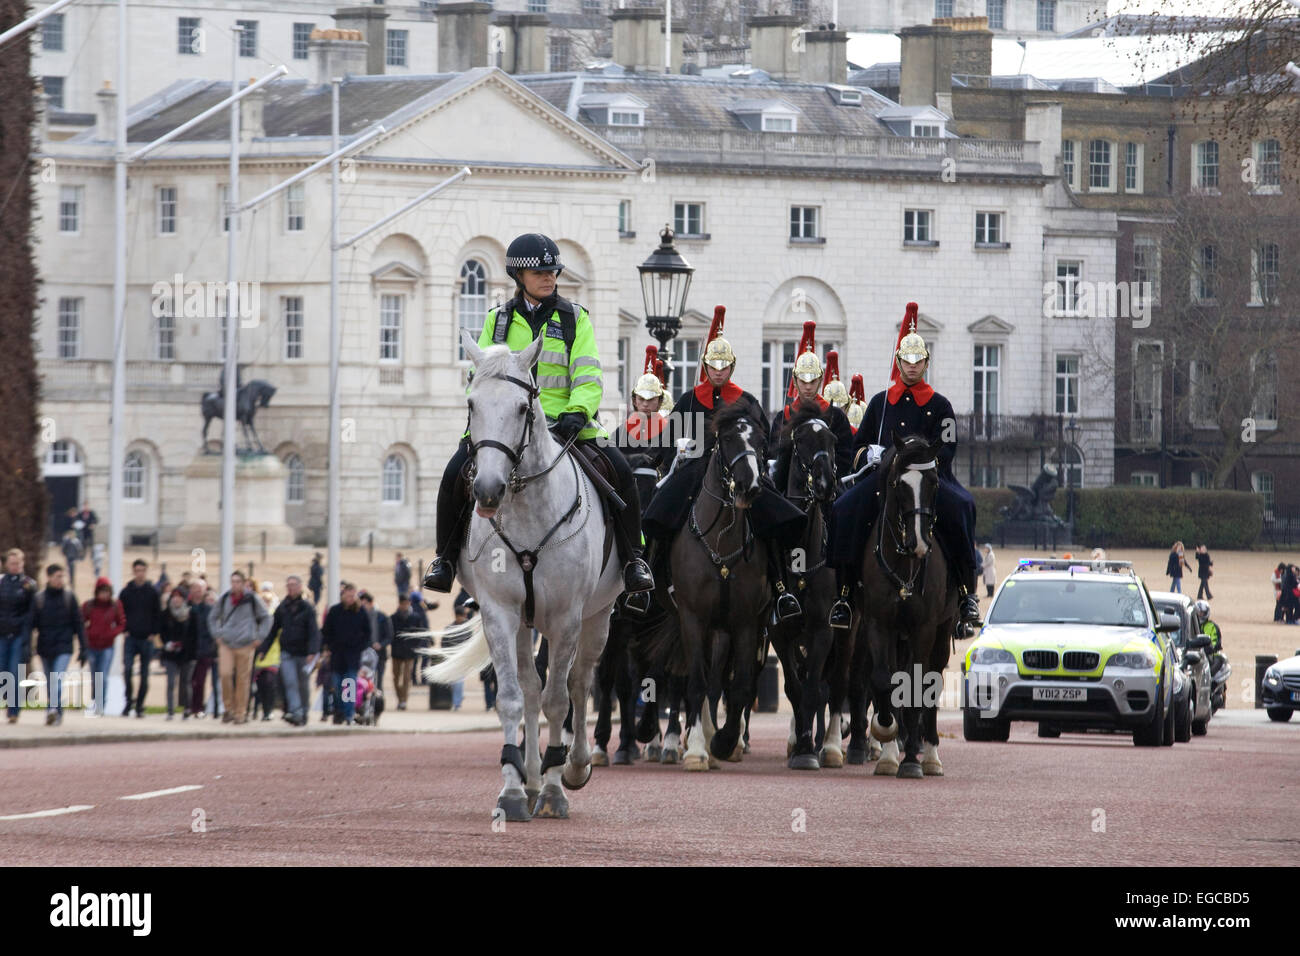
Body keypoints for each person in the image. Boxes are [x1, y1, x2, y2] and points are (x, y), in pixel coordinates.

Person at [422, 232, 654, 600]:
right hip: (504, 429)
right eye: (541, 272)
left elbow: (590, 374)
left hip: (568, 425)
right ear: (519, 277)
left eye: (553, 271)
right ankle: (445, 560)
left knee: (621, 474)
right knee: (453, 474)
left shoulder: (575, 319)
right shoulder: (496, 322)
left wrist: (579, 411)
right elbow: (477, 380)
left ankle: (633, 561)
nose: (550, 277)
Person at [641, 305, 807, 620]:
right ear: (705, 365)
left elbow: (766, 438)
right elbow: (664, 442)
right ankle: (649, 574)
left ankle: (781, 586)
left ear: (731, 367)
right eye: (713, 366)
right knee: (661, 509)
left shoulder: (746, 401)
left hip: (741, 471)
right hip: (696, 468)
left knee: (771, 515)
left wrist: (759, 462)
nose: (718, 371)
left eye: (724, 366)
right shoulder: (690, 398)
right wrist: (665, 452)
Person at [828, 302, 981, 630]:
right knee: (844, 509)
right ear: (898, 362)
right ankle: (843, 593)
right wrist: (869, 454)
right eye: (906, 361)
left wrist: (928, 468)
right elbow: (858, 447)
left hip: (930, 479)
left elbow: (949, 447)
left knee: (963, 507)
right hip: (888, 479)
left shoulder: (941, 405)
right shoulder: (881, 403)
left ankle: (967, 591)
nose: (912, 367)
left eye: (918, 361)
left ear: (926, 363)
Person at [766, 322, 854, 497]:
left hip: (828, 482)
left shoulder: (835, 415)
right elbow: (775, 454)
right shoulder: (784, 416)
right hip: (791, 485)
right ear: (795, 380)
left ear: (820, 380)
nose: (807, 387)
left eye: (812, 381)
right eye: (803, 381)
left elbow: (845, 455)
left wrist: (829, 472)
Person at [209, 571, 272, 725]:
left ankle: (240, 712)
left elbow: (267, 617)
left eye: (238, 581)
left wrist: (259, 637)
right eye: (233, 581)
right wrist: (217, 634)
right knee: (225, 674)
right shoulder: (225, 598)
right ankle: (228, 708)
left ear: (244, 583)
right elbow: (212, 617)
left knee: (243, 680)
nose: (234, 585)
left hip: (246, 643)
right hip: (226, 643)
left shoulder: (252, 599)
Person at [31, 564, 85, 726]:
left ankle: (52, 709)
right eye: (57, 576)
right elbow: (32, 623)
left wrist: (84, 647)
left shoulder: (69, 598)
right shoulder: (39, 599)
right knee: (50, 681)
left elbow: (78, 623)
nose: (60, 580)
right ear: (49, 577)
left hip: (64, 645)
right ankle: (57, 711)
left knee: (57, 678)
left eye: (62, 576)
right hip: (45, 646)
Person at [272, 575, 320, 727]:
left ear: (300, 587)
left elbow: (314, 632)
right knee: (290, 682)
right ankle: (296, 711)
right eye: (288, 585)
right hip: (287, 652)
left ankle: (304, 711)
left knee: (303, 684)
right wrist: (263, 648)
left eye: (294, 585)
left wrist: (312, 652)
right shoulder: (282, 607)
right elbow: (274, 629)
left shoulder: (308, 608)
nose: (291, 588)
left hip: (304, 653)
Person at [323, 583, 370, 724]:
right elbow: (326, 631)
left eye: (353, 596)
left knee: (349, 685)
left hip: (352, 656)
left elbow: (367, 633)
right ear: (343, 596)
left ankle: (349, 714)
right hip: (337, 655)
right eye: (348, 595)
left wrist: (360, 647)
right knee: (337, 686)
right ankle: (339, 712)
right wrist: (329, 647)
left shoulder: (361, 611)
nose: (350, 598)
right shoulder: (335, 611)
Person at [118, 559, 160, 718]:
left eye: (143, 570)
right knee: (127, 670)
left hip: (146, 638)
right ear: (133, 571)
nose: (140, 573)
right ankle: (128, 702)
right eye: (137, 570)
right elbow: (120, 612)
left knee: (144, 674)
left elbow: (157, 614)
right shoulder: (126, 592)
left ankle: (140, 705)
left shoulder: (152, 592)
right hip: (131, 637)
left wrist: (153, 633)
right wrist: (125, 630)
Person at [1, 548, 37, 725]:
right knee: (3, 672)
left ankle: (14, 710)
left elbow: (31, 613)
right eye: (12, 563)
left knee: (14, 673)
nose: (15, 566)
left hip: (18, 635)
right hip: (2, 634)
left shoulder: (29, 585)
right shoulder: (1, 582)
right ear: (7, 564)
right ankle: (7, 697)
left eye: (18, 563)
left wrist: (26, 637)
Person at [81, 577, 125, 717]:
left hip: (107, 646)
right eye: (102, 592)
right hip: (92, 645)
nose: (104, 595)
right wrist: (88, 634)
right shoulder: (89, 606)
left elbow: (121, 623)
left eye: (107, 592)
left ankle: (101, 705)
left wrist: (112, 634)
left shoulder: (115, 606)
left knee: (103, 675)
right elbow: (80, 621)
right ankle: (95, 701)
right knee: (95, 676)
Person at [159, 588, 197, 720]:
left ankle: (187, 708)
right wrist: (167, 644)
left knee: (186, 682)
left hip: (187, 654)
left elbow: (194, 635)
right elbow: (162, 632)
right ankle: (170, 710)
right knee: (170, 682)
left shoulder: (191, 614)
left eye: (179, 597)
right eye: (174, 597)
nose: (176, 599)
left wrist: (185, 645)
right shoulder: (166, 614)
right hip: (171, 653)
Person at [189, 582, 218, 718]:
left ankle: (198, 708)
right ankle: (187, 706)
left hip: (204, 650)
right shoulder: (187, 608)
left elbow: (212, 631)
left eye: (200, 589)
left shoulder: (208, 610)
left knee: (199, 681)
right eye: (195, 588)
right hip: (189, 651)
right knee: (188, 681)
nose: (197, 592)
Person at [389, 594, 422, 711]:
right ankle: (400, 698)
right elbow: (390, 635)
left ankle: (403, 700)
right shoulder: (393, 618)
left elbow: (419, 633)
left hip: (409, 652)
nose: (405, 606)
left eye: (407, 603)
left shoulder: (415, 617)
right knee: (396, 677)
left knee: (407, 678)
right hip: (397, 652)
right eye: (403, 604)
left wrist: (415, 647)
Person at [358, 590, 391, 692]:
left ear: (371, 603)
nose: (363, 607)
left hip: (380, 654)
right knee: (364, 680)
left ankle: (377, 701)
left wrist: (381, 644)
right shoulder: (359, 617)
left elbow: (389, 635)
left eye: (365, 604)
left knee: (379, 680)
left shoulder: (382, 617)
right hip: (364, 654)